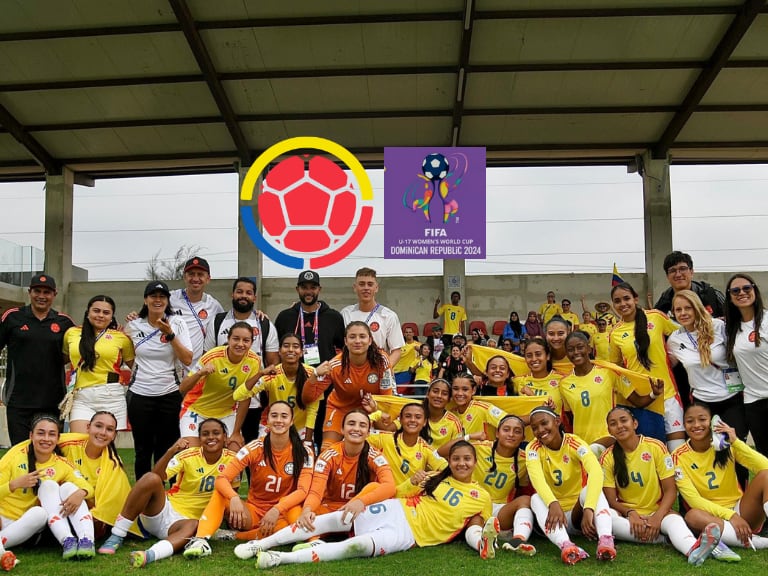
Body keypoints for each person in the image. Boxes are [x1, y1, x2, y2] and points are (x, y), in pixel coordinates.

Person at [232, 440, 498, 568]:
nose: (461, 463)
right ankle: (260, 544)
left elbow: (477, 525)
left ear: (475, 462)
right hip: (397, 510)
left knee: (356, 547)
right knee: (334, 519)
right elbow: (397, 492)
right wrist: (412, 481)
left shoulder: (481, 496)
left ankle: (281, 558)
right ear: (450, 461)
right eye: (456, 459)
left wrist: (484, 541)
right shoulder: (435, 477)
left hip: (408, 535)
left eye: (467, 459)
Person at [234, 409, 397, 559]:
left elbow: (389, 487)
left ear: (368, 432)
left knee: (375, 488)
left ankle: (312, 537)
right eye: (351, 423)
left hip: (359, 511)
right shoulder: (329, 455)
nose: (356, 429)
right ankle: (312, 541)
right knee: (295, 513)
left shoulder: (374, 455)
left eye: (362, 425)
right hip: (330, 510)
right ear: (342, 429)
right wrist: (308, 510)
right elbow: (316, 492)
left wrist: (359, 502)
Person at [182, 402, 314, 557]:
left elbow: (303, 491)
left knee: (294, 516)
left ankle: (237, 536)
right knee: (220, 493)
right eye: (274, 416)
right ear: (267, 420)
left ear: (291, 421)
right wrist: (234, 497)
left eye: (284, 416)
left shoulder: (304, 451)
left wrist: (277, 509)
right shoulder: (255, 447)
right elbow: (222, 479)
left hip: (283, 512)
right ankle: (200, 540)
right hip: (253, 512)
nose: (279, 420)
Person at [97, 418, 236, 565]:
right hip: (164, 510)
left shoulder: (233, 460)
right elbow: (158, 476)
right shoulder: (188, 456)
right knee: (150, 478)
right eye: (205, 434)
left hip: (184, 524)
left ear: (225, 437)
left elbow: (231, 493)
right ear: (199, 438)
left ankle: (149, 555)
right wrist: (171, 451)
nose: (211, 437)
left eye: (216, 433)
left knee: (194, 524)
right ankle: (117, 535)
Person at [600, 407, 720, 566]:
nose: (620, 426)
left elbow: (670, 490)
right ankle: (663, 539)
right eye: (613, 424)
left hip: (658, 511)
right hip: (628, 516)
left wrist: (657, 517)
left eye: (624, 420)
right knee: (608, 520)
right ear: (609, 430)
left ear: (635, 423)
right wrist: (630, 513)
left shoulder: (656, 447)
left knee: (674, 523)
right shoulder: (607, 457)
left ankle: (693, 550)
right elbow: (610, 500)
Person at [672, 404, 768, 560]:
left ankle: (728, 539)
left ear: (712, 422)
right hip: (710, 516)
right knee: (692, 516)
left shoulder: (726, 445)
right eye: (690, 421)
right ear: (684, 425)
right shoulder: (678, 456)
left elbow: (765, 466)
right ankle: (756, 541)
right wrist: (731, 516)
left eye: (702, 419)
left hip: (741, 510)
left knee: (766, 476)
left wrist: (735, 442)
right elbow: (694, 500)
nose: (696, 425)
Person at [0, 414, 95, 564]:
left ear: (58, 438)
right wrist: (13, 485)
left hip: (28, 524)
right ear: (31, 436)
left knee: (41, 511)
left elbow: (86, 486)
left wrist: (81, 493)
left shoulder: (62, 464)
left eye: (51, 434)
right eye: (40, 433)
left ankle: (82, 540)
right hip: (3, 517)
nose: (46, 439)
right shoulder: (15, 457)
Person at [526, 406, 615, 565]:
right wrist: (553, 503)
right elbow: (537, 479)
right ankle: (566, 546)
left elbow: (596, 471)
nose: (540, 430)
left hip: (577, 514)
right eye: (534, 428)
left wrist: (589, 508)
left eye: (544, 423)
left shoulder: (574, 442)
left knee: (589, 490)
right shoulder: (533, 448)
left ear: (557, 421)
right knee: (535, 499)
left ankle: (605, 541)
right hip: (553, 517)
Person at [438, 414, 536, 556]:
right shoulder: (480, 448)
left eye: (517, 431)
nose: (511, 434)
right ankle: (482, 544)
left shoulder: (525, 459)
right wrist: (469, 437)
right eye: (506, 429)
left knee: (526, 500)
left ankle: (518, 540)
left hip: (497, 509)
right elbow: (441, 452)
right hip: (471, 502)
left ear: (523, 438)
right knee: (476, 519)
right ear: (497, 433)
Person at [125, 280, 193, 479]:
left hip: (169, 394)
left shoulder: (177, 323)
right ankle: (144, 495)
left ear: (167, 301)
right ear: (145, 300)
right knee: (142, 451)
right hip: (140, 394)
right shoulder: (134, 325)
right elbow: (127, 356)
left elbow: (187, 359)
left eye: (162, 297)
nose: (158, 300)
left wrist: (169, 334)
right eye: (153, 296)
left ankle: (166, 495)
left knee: (168, 450)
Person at [274, 270, 345, 452]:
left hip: (325, 384)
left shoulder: (334, 317)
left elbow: (343, 351)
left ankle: (320, 466)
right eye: (304, 287)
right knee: (291, 428)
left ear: (319, 289)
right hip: (293, 383)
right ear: (297, 289)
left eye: (312, 287)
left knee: (322, 430)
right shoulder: (285, 317)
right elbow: (276, 349)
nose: (308, 291)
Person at [666, 290, 747, 448]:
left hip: (732, 398)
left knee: (735, 447)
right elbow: (666, 367)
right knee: (711, 450)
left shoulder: (718, 326)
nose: (683, 313)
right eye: (678, 309)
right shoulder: (674, 340)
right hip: (702, 402)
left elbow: (739, 352)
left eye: (688, 308)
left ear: (697, 307)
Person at [560, 331, 663, 456]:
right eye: (570, 350)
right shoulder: (564, 383)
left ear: (589, 348)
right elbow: (570, 417)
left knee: (594, 451)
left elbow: (638, 401)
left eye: (580, 347)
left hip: (609, 438)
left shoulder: (609, 372)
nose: (576, 352)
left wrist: (654, 394)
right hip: (582, 443)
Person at [609, 282, 685, 450]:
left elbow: (683, 333)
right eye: (617, 301)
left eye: (627, 298)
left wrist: (676, 356)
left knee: (677, 450)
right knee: (653, 453)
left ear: (635, 299)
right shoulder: (615, 333)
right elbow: (615, 368)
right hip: (644, 402)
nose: (623, 304)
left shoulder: (656, 317)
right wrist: (630, 393)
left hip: (669, 396)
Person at [0, 273, 74, 444]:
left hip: (53, 401)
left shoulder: (64, 322)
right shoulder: (12, 316)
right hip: (18, 400)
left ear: (54, 294)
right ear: (29, 292)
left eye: (46, 292)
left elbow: (79, 350)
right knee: (21, 451)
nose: (41, 296)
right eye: (37, 291)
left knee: (49, 450)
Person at [205, 276, 278, 445]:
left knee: (251, 449)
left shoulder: (264, 323)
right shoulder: (217, 321)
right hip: (222, 400)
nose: (243, 296)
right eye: (239, 292)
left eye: (248, 293)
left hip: (253, 401)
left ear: (254, 297)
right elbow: (207, 358)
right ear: (232, 294)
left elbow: (273, 363)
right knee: (221, 449)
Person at [303, 322, 393, 448]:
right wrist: (315, 375)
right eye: (352, 337)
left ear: (370, 340)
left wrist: (376, 411)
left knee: (376, 449)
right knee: (328, 449)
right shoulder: (335, 365)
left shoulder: (381, 361)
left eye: (362, 336)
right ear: (345, 341)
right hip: (340, 409)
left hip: (371, 410)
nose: (357, 341)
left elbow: (387, 397)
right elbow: (308, 398)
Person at [179, 322, 264, 447]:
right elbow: (183, 388)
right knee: (192, 454)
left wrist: (236, 432)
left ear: (251, 343)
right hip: (196, 410)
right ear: (228, 339)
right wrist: (200, 373)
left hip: (226, 413)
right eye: (236, 339)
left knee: (235, 453)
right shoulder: (212, 356)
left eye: (246, 340)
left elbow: (245, 398)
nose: (240, 344)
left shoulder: (254, 361)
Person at [58, 412, 137, 539]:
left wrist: (84, 500)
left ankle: (82, 535)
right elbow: (39, 444)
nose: (103, 432)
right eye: (98, 426)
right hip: (61, 503)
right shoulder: (67, 445)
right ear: (88, 427)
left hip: (89, 513)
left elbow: (112, 501)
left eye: (109, 429)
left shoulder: (113, 463)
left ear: (114, 435)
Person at [62, 295, 134, 433]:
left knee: (106, 442)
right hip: (81, 396)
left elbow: (135, 367)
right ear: (88, 312)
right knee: (80, 441)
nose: (100, 315)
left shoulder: (121, 338)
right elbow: (63, 359)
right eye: (96, 311)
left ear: (112, 317)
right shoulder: (71, 333)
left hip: (111, 395)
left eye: (106, 312)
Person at [232, 333, 320, 441]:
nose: (290, 350)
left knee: (307, 452)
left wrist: (308, 441)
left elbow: (312, 410)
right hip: (273, 425)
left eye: (295, 346)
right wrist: (260, 374)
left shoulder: (312, 374)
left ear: (301, 352)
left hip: (301, 428)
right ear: (279, 351)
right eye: (286, 346)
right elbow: (237, 396)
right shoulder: (272, 374)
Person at [724, 273, 768, 456]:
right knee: (764, 457)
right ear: (730, 297)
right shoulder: (731, 328)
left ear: (754, 290)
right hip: (753, 402)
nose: (741, 293)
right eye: (735, 290)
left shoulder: (766, 320)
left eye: (746, 288)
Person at [366, 403, 447, 485]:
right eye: (408, 416)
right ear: (400, 420)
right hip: (383, 491)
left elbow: (446, 469)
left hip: (409, 493)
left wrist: (426, 477)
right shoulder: (384, 438)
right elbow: (359, 433)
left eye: (418, 417)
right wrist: (376, 414)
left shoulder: (426, 449)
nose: (412, 420)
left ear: (424, 422)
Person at [341, 267, 405, 368]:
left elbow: (396, 351)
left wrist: (384, 370)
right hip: (351, 371)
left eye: (370, 284)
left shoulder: (389, 316)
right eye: (362, 284)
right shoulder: (345, 314)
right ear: (355, 287)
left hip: (377, 370)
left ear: (376, 288)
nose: (366, 288)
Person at [169, 257, 224, 368]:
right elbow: (149, 317)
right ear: (184, 277)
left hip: (197, 370)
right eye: (191, 274)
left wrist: (256, 315)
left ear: (208, 279)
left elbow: (231, 321)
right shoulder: (170, 298)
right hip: (171, 368)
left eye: (200, 274)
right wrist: (135, 316)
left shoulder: (213, 305)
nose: (195, 278)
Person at [654, 251, 726, 319]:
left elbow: (731, 318)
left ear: (691, 272)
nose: (678, 274)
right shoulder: (663, 303)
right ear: (667, 276)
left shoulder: (711, 295)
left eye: (682, 269)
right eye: (673, 271)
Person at [449, 373, 507, 441]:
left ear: (473, 390)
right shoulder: (451, 413)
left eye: (465, 389)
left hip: (482, 448)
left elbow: (509, 421)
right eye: (455, 389)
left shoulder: (482, 408)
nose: (460, 393)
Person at [513, 337, 563, 414]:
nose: (534, 359)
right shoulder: (518, 381)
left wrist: (532, 395)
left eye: (538, 354)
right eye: (529, 355)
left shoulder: (562, 380)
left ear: (548, 356)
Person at [392, 325, 420, 393]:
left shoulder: (418, 345)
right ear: (404, 334)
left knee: (402, 392)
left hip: (407, 372)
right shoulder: (400, 345)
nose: (408, 334)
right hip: (396, 372)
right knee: (396, 392)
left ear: (413, 334)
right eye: (406, 332)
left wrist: (419, 350)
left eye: (410, 332)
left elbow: (425, 354)